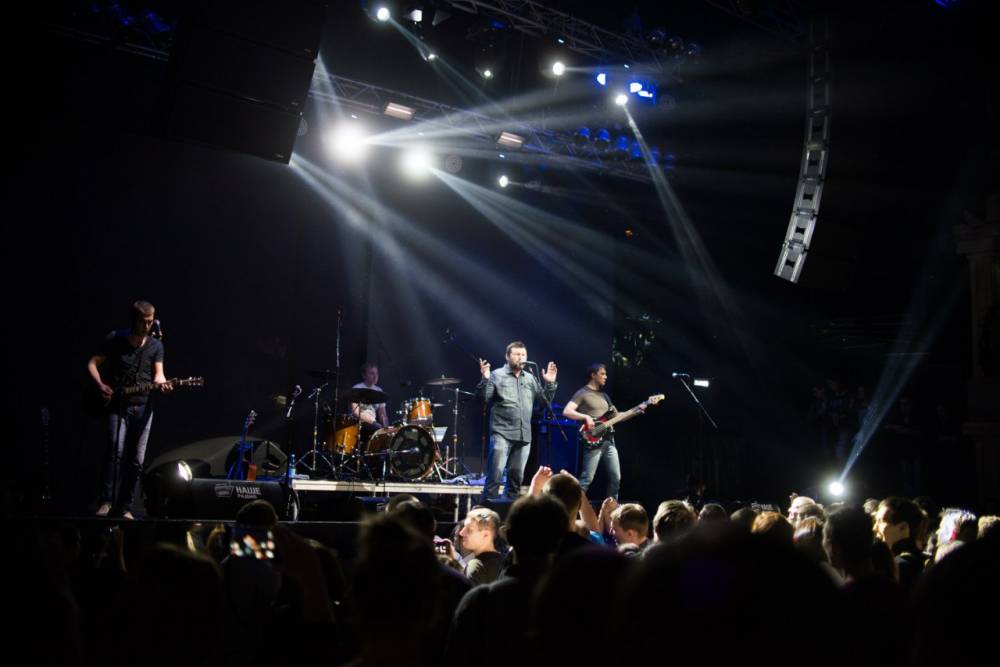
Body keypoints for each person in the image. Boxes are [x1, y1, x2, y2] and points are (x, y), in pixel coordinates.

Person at [87, 300, 172, 519]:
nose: (148, 326)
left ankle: (125, 507)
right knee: (114, 451)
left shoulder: (156, 346)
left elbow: (159, 375)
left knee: (137, 460)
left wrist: (163, 384)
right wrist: (100, 385)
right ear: (134, 320)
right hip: (119, 405)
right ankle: (106, 502)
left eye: (151, 322)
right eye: (144, 322)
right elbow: (92, 363)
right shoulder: (116, 339)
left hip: (144, 407)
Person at [477, 342, 557, 500]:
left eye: (523, 355)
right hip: (501, 433)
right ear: (507, 356)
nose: (521, 358)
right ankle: (486, 510)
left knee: (516, 481)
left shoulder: (530, 378)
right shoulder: (496, 375)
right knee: (495, 477)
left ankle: (510, 512)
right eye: (517, 354)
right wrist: (485, 379)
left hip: (524, 436)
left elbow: (544, 403)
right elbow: (484, 399)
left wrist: (550, 383)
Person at [562, 363, 623, 500]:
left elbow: (617, 416)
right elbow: (567, 411)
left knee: (616, 478)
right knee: (587, 479)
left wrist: (637, 409)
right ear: (593, 375)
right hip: (593, 440)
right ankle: (573, 505)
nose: (606, 377)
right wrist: (586, 417)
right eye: (602, 374)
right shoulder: (582, 393)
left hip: (609, 441)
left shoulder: (605, 396)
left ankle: (612, 509)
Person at [350, 362, 389, 442]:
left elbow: (383, 414)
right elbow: (355, 412)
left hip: (373, 424)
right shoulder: (357, 388)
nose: (375, 376)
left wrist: (387, 428)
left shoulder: (379, 391)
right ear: (364, 375)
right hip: (359, 423)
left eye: (376, 373)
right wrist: (373, 422)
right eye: (372, 373)